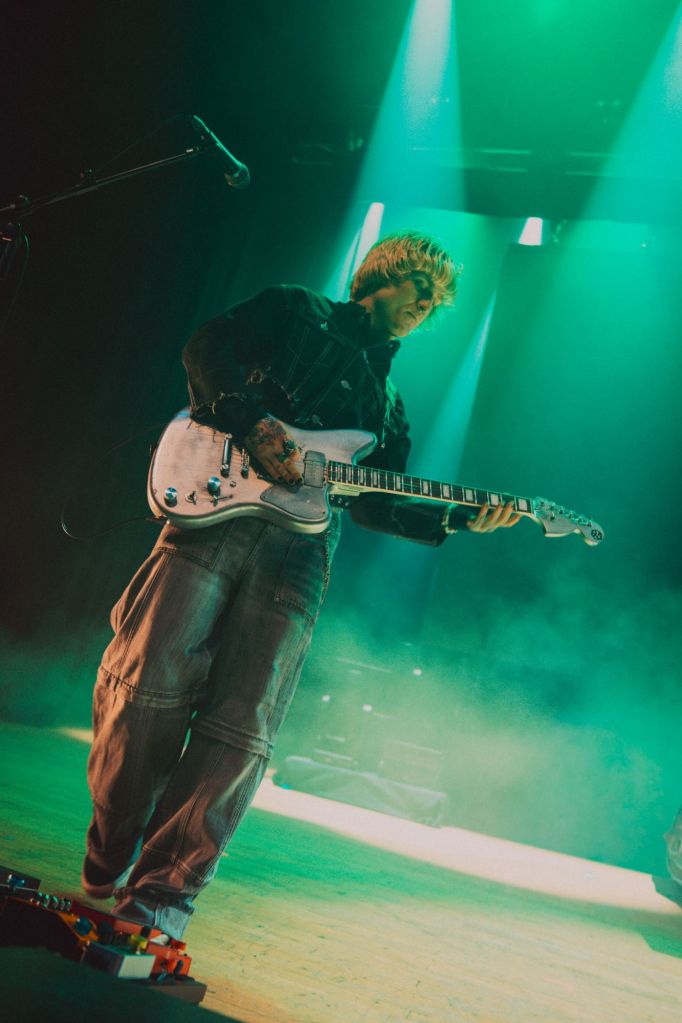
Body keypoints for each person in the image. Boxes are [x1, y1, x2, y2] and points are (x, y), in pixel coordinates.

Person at [82, 232, 521, 939]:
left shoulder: (388, 408)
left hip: (300, 554)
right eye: (423, 287)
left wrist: (462, 520)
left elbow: (375, 503)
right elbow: (206, 348)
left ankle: (162, 895)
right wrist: (254, 423)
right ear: (385, 272)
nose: (429, 305)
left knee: (242, 724)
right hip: (212, 516)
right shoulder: (294, 310)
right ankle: (113, 837)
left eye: (438, 301)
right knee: (146, 679)